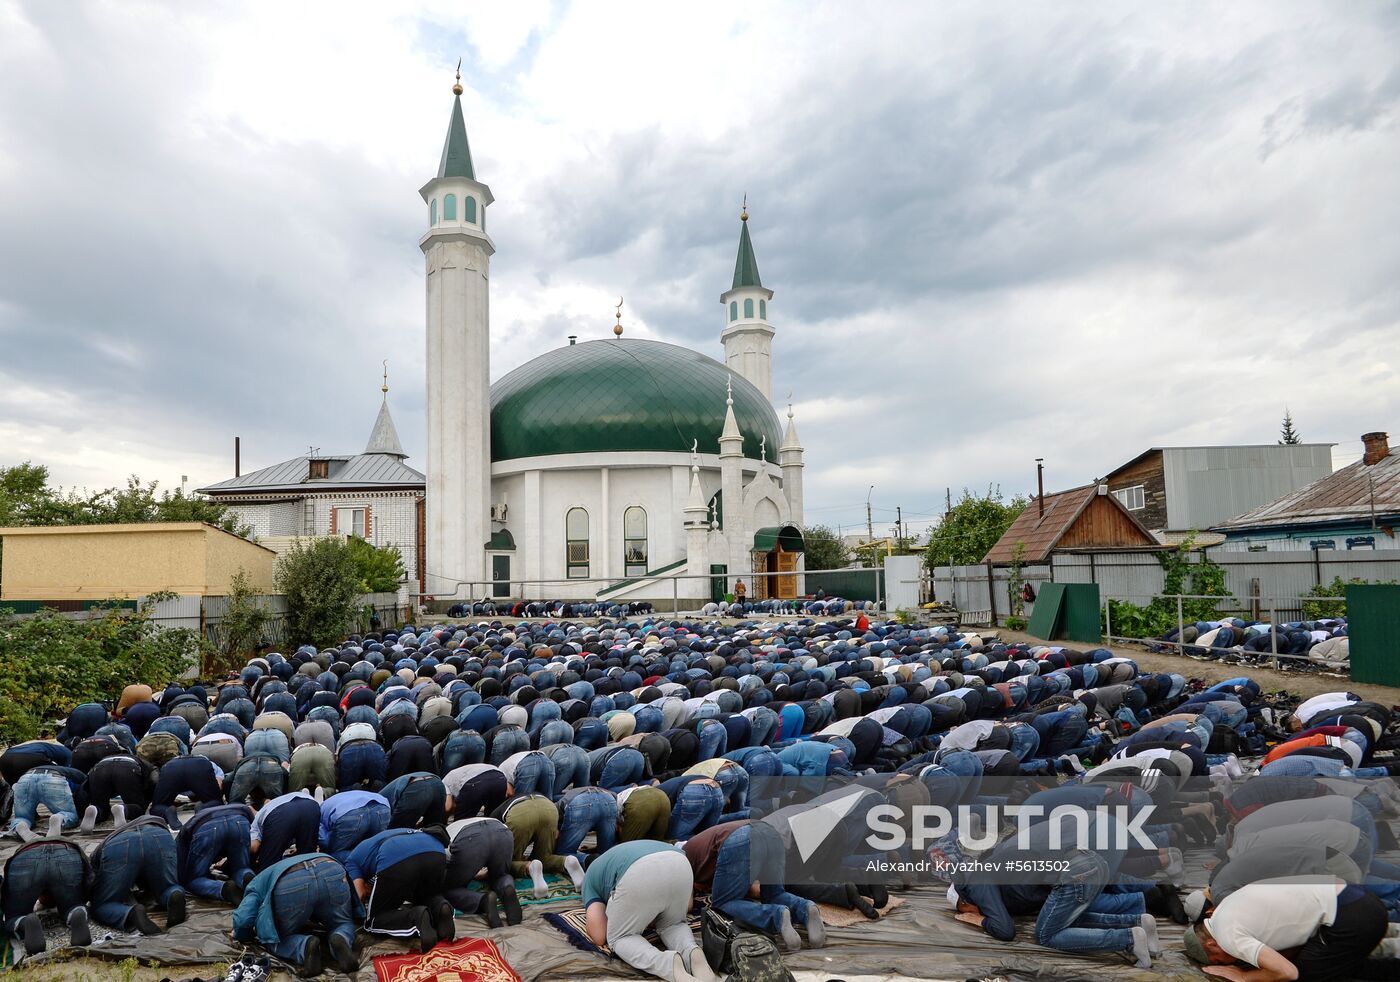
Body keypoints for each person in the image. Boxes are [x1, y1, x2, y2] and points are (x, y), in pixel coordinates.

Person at [1185, 878, 1391, 982]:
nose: (1229, 962)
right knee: (1327, 966)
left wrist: (1243, 976)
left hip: (1353, 915)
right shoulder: (1224, 909)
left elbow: (1288, 973)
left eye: (1219, 961)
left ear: (1211, 944)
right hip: (1358, 899)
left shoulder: (1227, 935)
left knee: (1303, 976)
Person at [582, 839, 717, 982]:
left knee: (620, 938)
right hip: (680, 862)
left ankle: (668, 964)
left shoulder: (590, 876)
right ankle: (693, 954)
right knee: (674, 924)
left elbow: (599, 935)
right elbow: (688, 906)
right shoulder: (624, 851)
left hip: (639, 872)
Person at [684, 819, 825, 951]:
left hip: (741, 839)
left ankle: (777, 916)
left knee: (722, 904)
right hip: (771, 834)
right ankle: (806, 908)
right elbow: (753, 889)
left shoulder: (682, 856)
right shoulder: (701, 848)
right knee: (775, 894)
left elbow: (688, 905)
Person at [233, 853, 362, 976]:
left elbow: (243, 920)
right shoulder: (273, 870)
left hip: (290, 882)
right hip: (330, 867)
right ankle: (341, 937)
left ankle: (304, 946)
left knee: (276, 940)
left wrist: (243, 935)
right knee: (342, 923)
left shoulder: (254, 884)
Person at [344, 827, 454, 953]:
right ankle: (441, 909)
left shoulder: (351, 862)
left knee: (374, 920)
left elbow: (360, 894)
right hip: (435, 849)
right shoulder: (371, 844)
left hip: (395, 855)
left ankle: (416, 918)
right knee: (425, 896)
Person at [1, 818, 92, 956]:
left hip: (26, 855)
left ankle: (24, 922)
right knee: (74, 904)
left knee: (14, 915)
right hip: (66, 851)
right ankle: (75, 913)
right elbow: (88, 881)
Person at [88, 812, 187, 934]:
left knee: (102, 905)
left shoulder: (97, 855)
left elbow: (94, 882)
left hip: (119, 845)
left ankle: (130, 913)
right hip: (160, 835)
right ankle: (173, 893)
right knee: (168, 886)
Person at [492, 792, 584, 898]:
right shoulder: (513, 801)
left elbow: (498, 845)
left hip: (520, 814)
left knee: (508, 862)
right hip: (549, 808)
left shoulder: (493, 818)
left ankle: (529, 867)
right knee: (544, 857)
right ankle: (567, 861)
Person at [443, 817, 521, 926]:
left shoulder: (441, 838)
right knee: (500, 876)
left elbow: (448, 866)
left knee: (450, 889)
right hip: (502, 831)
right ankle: (507, 888)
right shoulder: (455, 826)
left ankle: (483, 901)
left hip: (469, 839)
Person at [177, 801, 256, 902]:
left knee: (194, 880)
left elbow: (181, 865)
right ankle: (248, 879)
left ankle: (223, 889)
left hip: (207, 826)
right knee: (241, 868)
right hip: (240, 820)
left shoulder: (184, 834)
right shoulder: (241, 808)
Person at [249, 788, 321, 872]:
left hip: (279, 814)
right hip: (310, 804)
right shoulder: (278, 800)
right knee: (308, 857)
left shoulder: (257, 819)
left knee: (268, 866)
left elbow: (254, 847)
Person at [319, 789, 391, 864]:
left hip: (348, 813)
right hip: (382, 805)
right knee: (375, 848)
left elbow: (324, 841)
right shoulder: (337, 798)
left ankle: (358, 867)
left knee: (336, 853)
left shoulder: (319, 809)